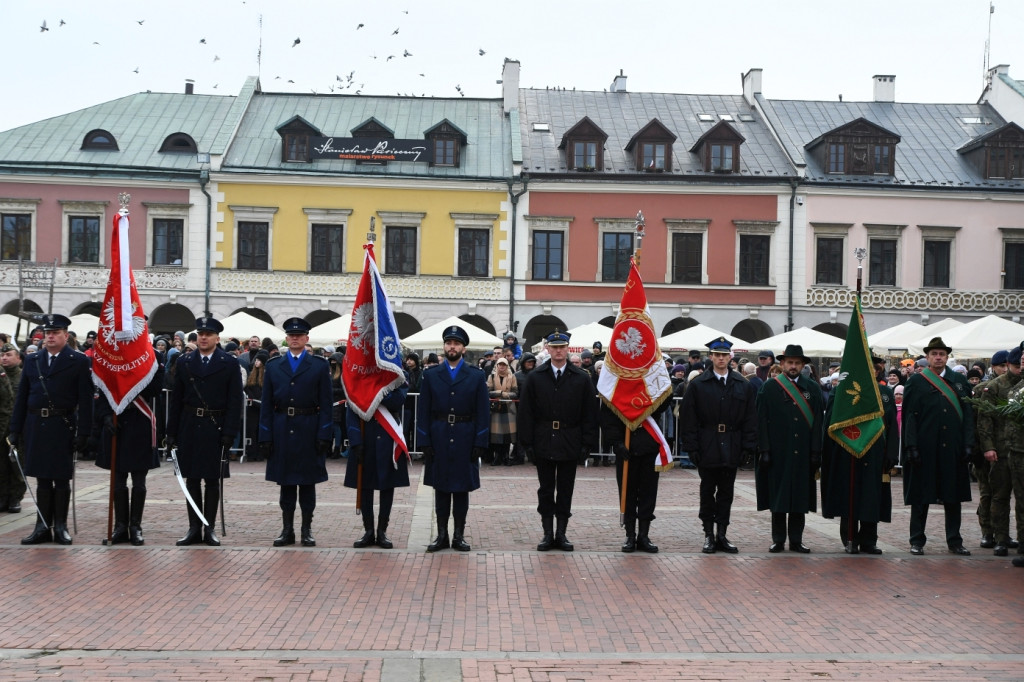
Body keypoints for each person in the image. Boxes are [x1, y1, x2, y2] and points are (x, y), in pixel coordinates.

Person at [8, 314, 92, 545]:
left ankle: (61, 527)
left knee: (62, 479)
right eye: (47, 333)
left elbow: (86, 400)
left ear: (66, 335)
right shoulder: (33, 360)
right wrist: (15, 429)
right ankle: (42, 526)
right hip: (36, 425)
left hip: (62, 425)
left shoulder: (78, 360)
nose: (50, 337)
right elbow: (22, 397)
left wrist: (84, 432)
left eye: (55, 333)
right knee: (42, 479)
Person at [517, 330, 599, 552]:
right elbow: (526, 413)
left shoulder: (581, 377)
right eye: (554, 347)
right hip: (543, 439)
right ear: (548, 349)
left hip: (569, 439)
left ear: (568, 348)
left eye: (562, 347)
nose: (558, 351)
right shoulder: (536, 376)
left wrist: (587, 444)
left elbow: (590, 414)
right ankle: (547, 533)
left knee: (565, 489)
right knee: (545, 489)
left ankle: (561, 533)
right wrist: (527, 444)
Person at [166, 316, 243, 547]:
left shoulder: (228, 363)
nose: (203, 337)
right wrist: (171, 432)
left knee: (211, 479)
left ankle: (208, 527)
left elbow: (234, 401)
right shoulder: (185, 361)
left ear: (217, 338)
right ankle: (193, 527)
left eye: (208, 334)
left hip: (215, 426)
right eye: (200, 334)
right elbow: (176, 399)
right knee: (192, 479)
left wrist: (230, 432)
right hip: (190, 424)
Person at [679, 337, 758, 554]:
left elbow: (750, 419)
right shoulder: (698, 385)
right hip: (707, 443)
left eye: (724, 355)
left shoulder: (743, 385)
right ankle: (708, 534)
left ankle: (722, 533)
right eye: (717, 355)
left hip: (732, 443)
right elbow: (689, 419)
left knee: (726, 492)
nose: (721, 359)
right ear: (711, 357)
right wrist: (691, 447)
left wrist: (748, 447)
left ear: (730, 357)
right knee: (707, 490)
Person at [259, 318, 333, 547]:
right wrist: (265, 435)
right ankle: (287, 529)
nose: (294, 338)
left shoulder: (319, 366)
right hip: (282, 428)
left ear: (306, 339)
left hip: (308, 428)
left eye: (299, 335)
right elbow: (266, 405)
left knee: (307, 485)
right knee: (286, 484)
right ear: (286, 338)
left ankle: (306, 530)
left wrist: (324, 434)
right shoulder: (273, 366)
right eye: (291, 335)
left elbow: (327, 404)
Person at [416, 325, 489, 552]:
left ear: (463, 348)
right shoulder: (430, 375)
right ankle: (441, 536)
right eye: (449, 343)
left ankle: (458, 535)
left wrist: (480, 441)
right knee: (440, 488)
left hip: (465, 434)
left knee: (461, 489)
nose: (452, 347)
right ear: (444, 346)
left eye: (456, 344)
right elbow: (423, 410)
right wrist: (424, 440)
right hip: (438, 434)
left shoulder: (476, 376)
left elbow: (483, 412)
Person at [902, 337, 974, 556]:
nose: (938, 357)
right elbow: (909, 416)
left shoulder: (959, 381)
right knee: (921, 496)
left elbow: (969, 416)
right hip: (925, 447)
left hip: (953, 447)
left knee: (953, 495)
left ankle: (954, 540)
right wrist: (911, 445)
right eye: (934, 354)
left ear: (947, 357)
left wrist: (969, 443)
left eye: (942, 354)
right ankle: (917, 540)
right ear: (927, 357)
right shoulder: (916, 381)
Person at [821, 356, 899, 554]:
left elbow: (891, 426)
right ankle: (850, 539)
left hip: (876, 454)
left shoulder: (885, 393)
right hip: (847, 451)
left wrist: (891, 452)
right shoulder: (840, 392)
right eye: (866, 367)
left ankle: (869, 540)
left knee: (872, 498)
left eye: (874, 368)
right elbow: (830, 422)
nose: (871, 371)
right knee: (850, 497)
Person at [755, 343, 823, 553]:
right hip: (778, 452)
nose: (793, 366)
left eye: (797, 363)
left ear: (803, 365)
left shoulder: (812, 388)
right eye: (790, 362)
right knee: (779, 496)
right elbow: (760, 420)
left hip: (803, 452)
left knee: (800, 497)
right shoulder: (769, 387)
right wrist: (764, 450)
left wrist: (815, 451)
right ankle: (778, 539)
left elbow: (818, 422)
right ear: (782, 363)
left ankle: (796, 539)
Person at [92, 359, 164, 545]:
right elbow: (101, 387)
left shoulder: (150, 357)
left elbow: (155, 389)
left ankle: (135, 526)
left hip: (139, 422)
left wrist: (136, 370)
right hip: (116, 422)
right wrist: (106, 416)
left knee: (139, 481)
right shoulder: (110, 356)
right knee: (118, 480)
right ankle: (120, 526)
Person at [345, 368, 409, 549]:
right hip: (365, 436)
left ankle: (382, 531)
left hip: (387, 437)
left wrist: (373, 390)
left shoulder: (397, 373)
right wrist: (355, 440)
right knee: (365, 485)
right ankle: (368, 531)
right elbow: (351, 409)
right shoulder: (358, 372)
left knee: (387, 485)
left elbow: (398, 400)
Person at [975, 345, 1021, 557]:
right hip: (1001, 451)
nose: (1019, 368)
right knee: (999, 496)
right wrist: (989, 447)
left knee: (1020, 498)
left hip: (1020, 450)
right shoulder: (994, 387)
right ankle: (1000, 538)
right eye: (1015, 365)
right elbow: (985, 420)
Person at [0, 342, 25, 512]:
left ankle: (15, 497)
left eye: (8, 355)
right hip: (1, 427)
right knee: (1, 465)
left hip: (17, 429)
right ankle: (2, 497)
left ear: (18, 358)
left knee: (16, 465)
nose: (4, 358)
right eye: (2, 355)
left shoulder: (24, 377)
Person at [486, 357, 518, 466]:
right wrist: (500, 392)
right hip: (496, 408)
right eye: (500, 364)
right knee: (496, 435)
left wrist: (507, 395)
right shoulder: (492, 376)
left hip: (509, 408)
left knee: (508, 435)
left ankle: (505, 456)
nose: (502, 366)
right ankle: (497, 457)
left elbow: (515, 392)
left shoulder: (512, 376)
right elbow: (488, 391)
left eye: (504, 364)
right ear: (497, 365)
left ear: (507, 366)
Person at [244, 350, 268, 461]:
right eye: (256, 360)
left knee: (260, 430)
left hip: (262, 407)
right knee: (251, 430)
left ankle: (260, 453)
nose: (256, 362)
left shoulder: (267, 376)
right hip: (252, 407)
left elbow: (267, 390)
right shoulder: (251, 374)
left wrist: (260, 401)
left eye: (258, 360)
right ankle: (251, 453)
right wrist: (253, 399)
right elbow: (248, 388)